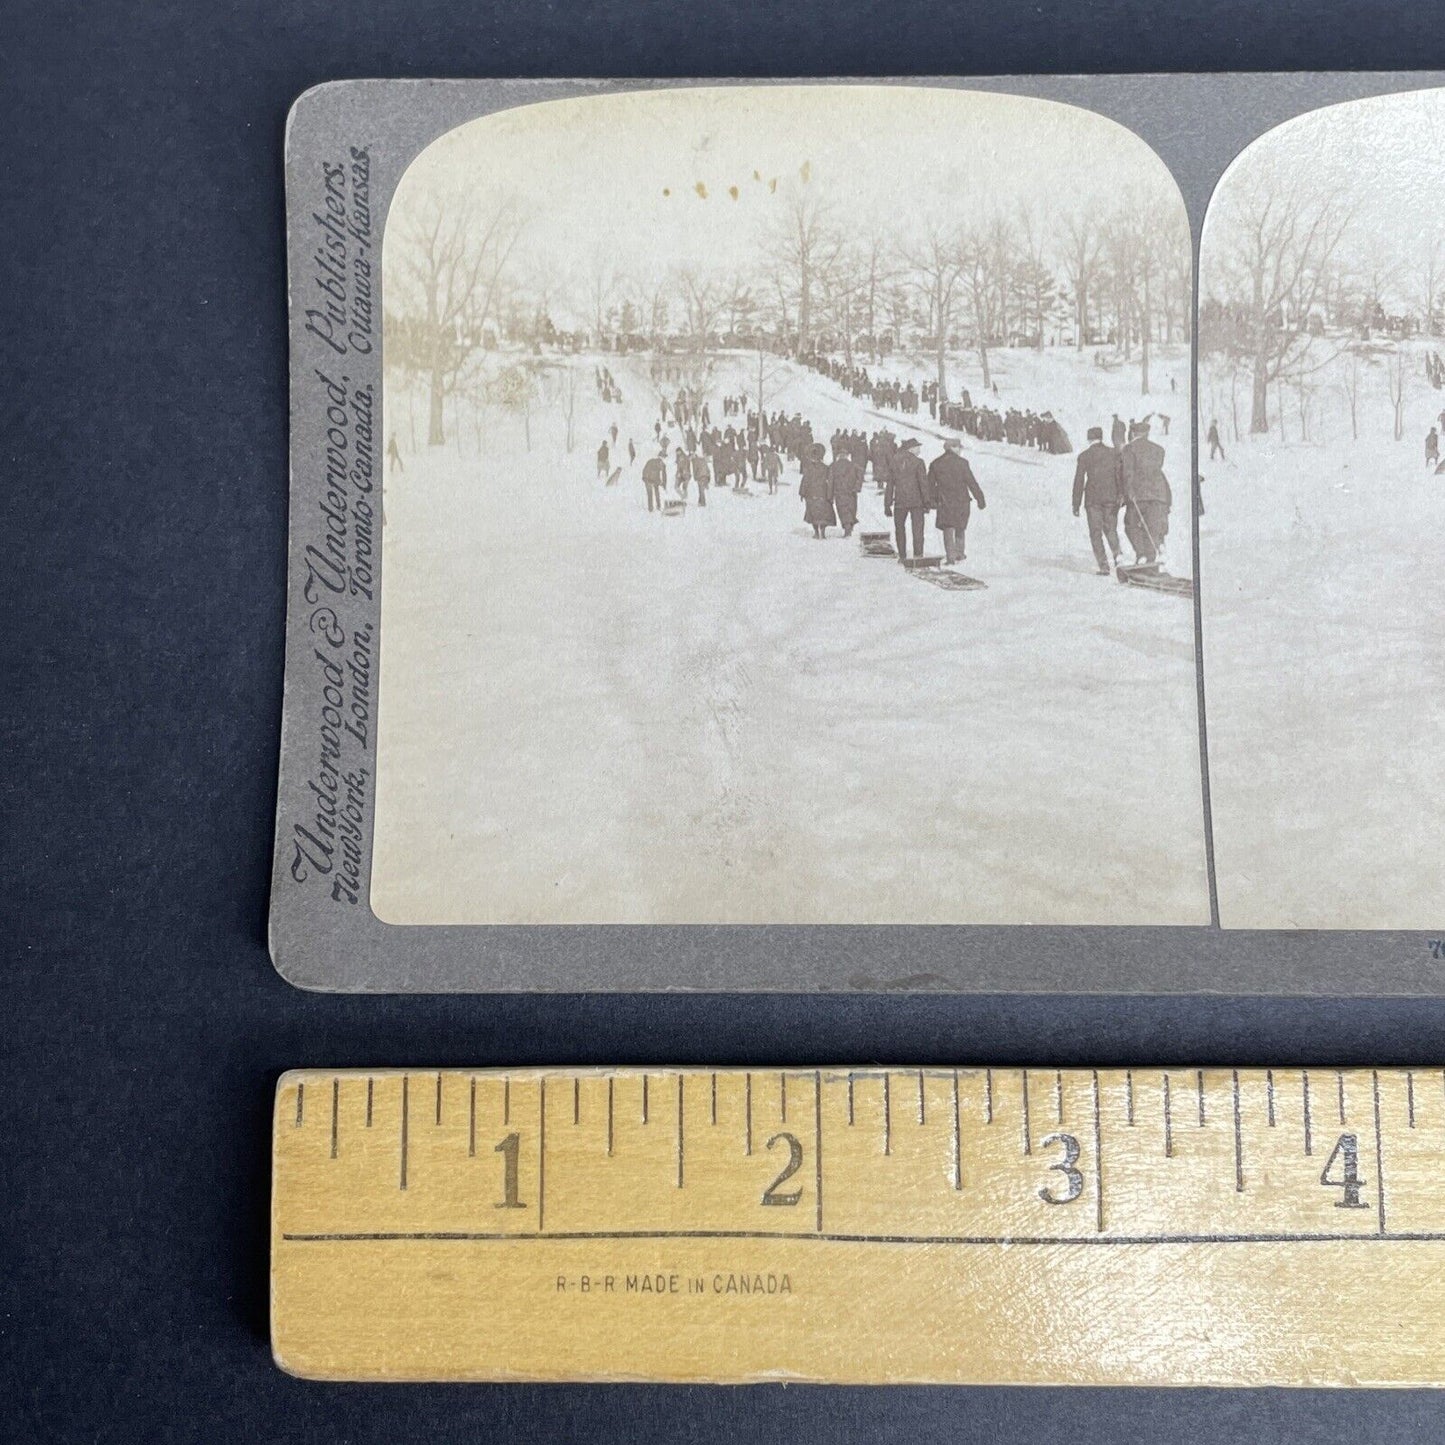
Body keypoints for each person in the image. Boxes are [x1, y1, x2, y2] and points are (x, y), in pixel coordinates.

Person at [1071, 426, 1123, 575]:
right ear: (1101, 437)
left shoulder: (1084, 456)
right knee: (1111, 529)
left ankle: (1104, 566)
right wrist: (1121, 494)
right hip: (1111, 498)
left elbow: (1079, 481)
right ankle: (1118, 555)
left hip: (1093, 500)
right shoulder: (1113, 453)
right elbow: (1119, 475)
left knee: (1095, 532)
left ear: (1089, 438)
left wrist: (1076, 503)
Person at [1119, 419, 1171, 565]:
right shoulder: (1159, 449)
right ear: (1147, 433)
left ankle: (1141, 554)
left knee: (1131, 525)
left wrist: (1128, 492)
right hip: (1158, 494)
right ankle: (1150, 558)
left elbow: (1127, 473)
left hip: (1138, 494)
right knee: (1151, 527)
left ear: (1133, 432)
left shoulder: (1129, 449)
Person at [928, 439, 986, 565]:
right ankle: (960, 554)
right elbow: (971, 482)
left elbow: (930, 486)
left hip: (944, 501)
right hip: (962, 501)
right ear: (952, 448)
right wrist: (980, 498)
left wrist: (931, 501)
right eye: (959, 448)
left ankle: (950, 557)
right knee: (960, 527)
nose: (960, 450)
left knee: (948, 528)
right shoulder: (962, 463)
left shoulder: (935, 463)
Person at [884, 437, 931, 561]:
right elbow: (923, 484)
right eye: (917, 447)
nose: (919, 449)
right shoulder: (918, 462)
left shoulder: (894, 461)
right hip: (917, 502)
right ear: (911, 448)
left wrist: (887, 504)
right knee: (918, 529)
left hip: (900, 501)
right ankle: (918, 554)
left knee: (900, 528)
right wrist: (927, 502)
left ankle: (902, 555)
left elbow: (890, 485)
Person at [800, 443, 835, 539]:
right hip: (823, 494)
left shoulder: (809, 468)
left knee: (813, 514)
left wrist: (802, 493)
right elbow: (830, 482)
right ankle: (822, 533)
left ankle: (816, 533)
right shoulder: (826, 468)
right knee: (824, 514)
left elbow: (805, 481)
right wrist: (830, 495)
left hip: (811, 494)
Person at [829, 446, 865, 537]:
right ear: (847, 455)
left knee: (842, 510)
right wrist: (857, 487)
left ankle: (847, 527)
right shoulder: (854, 465)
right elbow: (860, 475)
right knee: (851, 509)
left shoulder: (833, 466)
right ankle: (850, 526)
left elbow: (830, 481)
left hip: (839, 493)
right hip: (851, 492)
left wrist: (830, 495)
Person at [642, 449, 667, 514]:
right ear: (659, 457)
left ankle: (658, 506)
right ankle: (650, 509)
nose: (663, 459)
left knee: (657, 492)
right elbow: (646, 470)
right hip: (648, 479)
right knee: (650, 493)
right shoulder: (651, 462)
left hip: (655, 480)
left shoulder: (662, 465)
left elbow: (663, 475)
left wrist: (663, 484)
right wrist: (647, 479)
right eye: (663, 457)